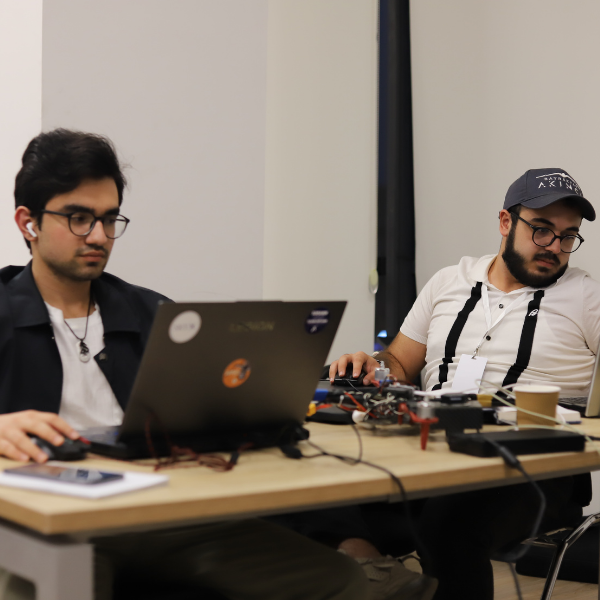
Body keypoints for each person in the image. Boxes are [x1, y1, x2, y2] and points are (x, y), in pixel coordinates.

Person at [0, 128, 368, 600]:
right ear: (27, 223)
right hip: (52, 525)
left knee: (340, 580)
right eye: (78, 218)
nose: (99, 236)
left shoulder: (156, 315)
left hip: (167, 514)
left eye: (109, 219)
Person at [327, 168, 600, 599]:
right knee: (311, 489)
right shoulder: (449, 281)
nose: (554, 246)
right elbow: (398, 362)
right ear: (506, 222)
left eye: (568, 236)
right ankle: (378, 576)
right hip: (430, 447)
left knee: (449, 524)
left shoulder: (584, 296)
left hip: (529, 466)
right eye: (542, 230)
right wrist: (371, 365)